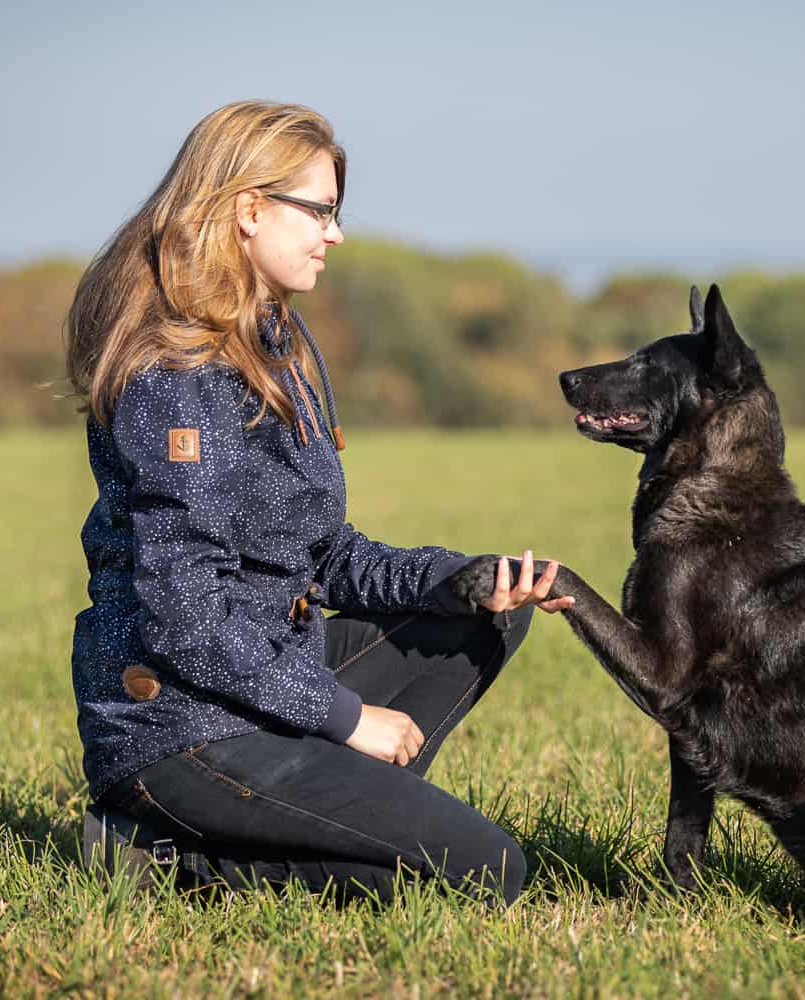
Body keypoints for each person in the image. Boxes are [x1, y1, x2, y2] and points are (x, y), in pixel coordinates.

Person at [65, 101, 571, 907]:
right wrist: (343, 718)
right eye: (321, 211)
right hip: (181, 731)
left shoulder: (279, 345)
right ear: (247, 209)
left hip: (265, 679)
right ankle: (159, 856)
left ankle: (330, 817)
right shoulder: (176, 374)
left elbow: (323, 554)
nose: (334, 234)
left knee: (487, 613)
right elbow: (184, 619)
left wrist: (460, 580)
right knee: (486, 875)